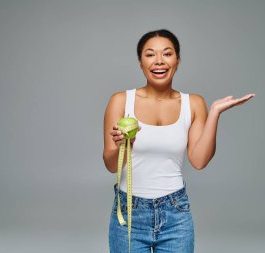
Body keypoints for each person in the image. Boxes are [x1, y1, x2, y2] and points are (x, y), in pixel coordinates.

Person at [103, 29, 255, 253]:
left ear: (177, 60)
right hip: (130, 212)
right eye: (150, 54)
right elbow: (109, 164)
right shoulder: (121, 101)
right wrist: (123, 145)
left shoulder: (193, 104)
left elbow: (199, 160)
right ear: (140, 62)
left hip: (175, 213)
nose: (159, 61)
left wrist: (214, 113)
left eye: (167, 54)